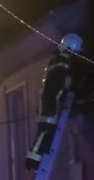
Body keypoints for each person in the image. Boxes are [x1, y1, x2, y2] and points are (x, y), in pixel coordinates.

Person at [26, 33, 83, 170]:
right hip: (49, 108)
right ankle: (32, 164)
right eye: (75, 52)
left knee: (47, 138)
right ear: (70, 49)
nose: (76, 56)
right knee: (44, 135)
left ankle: (34, 165)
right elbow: (58, 86)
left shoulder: (58, 63)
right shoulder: (60, 65)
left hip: (50, 106)